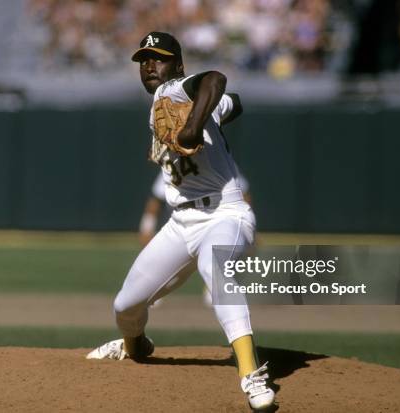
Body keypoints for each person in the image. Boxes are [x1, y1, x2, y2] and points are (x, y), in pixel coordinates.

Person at [86, 31, 275, 411]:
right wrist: (211, 111)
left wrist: (192, 125)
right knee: (126, 306)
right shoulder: (174, 100)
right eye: (143, 59)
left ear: (178, 65)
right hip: (181, 223)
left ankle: (251, 374)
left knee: (216, 268)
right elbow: (231, 102)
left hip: (225, 212)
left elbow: (216, 80)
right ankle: (134, 345)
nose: (150, 65)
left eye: (159, 57)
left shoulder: (174, 90)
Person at [139, 171, 253, 307]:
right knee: (167, 266)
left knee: (223, 251)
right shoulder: (172, 164)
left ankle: (215, 288)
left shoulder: (221, 161)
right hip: (181, 226)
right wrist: (147, 226)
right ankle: (152, 291)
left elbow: (244, 194)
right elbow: (156, 199)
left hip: (214, 224)